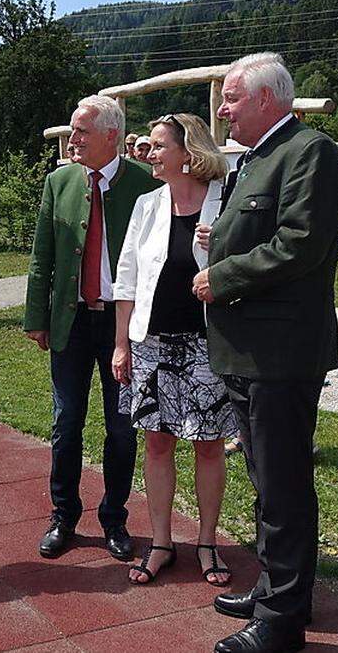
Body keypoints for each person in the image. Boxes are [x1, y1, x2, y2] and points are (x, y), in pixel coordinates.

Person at [193, 52, 338, 653]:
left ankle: (282, 623)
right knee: (266, 481)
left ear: (266, 99)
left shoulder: (311, 152)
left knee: (282, 485)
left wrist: (222, 275)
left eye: (230, 99)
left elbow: (301, 243)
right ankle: (276, 590)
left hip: (280, 353)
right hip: (247, 350)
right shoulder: (258, 158)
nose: (223, 111)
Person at [24, 96, 162, 562]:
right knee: (66, 423)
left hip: (124, 328)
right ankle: (63, 515)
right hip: (71, 322)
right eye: (71, 130)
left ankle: (114, 518)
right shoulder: (58, 182)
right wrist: (36, 317)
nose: (73, 139)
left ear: (111, 135)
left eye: (81, 131)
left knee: (121, 427)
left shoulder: (146, 183)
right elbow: (42, 256)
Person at [111, 113, 241, 587]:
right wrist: (121, 344)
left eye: (159, 145)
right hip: (152, 344)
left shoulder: (225, 203)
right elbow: (126, 279)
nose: (149, 152)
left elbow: (249, 266)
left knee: (208, 446)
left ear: (189, 153)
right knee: (158, 442)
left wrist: (223, 244)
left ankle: (207, 543)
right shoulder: (147, 205)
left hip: (208, 343)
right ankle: (162, 542)